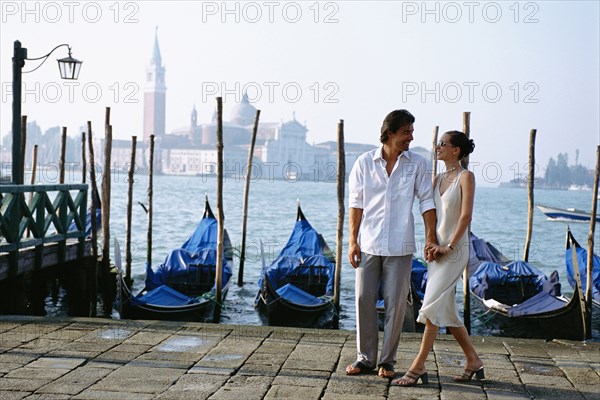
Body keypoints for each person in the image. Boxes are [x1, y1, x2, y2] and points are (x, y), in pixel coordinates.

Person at [346, 109, 437, 379]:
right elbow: (356, 204)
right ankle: (365, 358)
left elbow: (427, 201)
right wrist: (352, 240)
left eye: (411, 131)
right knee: (363, 299)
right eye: (406, 132)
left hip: (400, 244)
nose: (411, 137)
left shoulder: (417, 164)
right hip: (368, 242)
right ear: (390, 133)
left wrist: (430, 235)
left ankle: (387, 360)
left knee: (396, 304)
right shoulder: (364, 162)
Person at [392, 130, 484, 387]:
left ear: (456, 150)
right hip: (437, 250)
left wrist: (449, 247)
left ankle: (418, 366)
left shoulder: (466, 177)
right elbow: (428, 212)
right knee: (447, 310)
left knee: (430, 305)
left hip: (455, 251)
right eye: (437, 142)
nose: (437, 146)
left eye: (442, 143)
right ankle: (473, 360)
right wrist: (430, 242)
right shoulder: (437, 178)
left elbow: (466, 217)